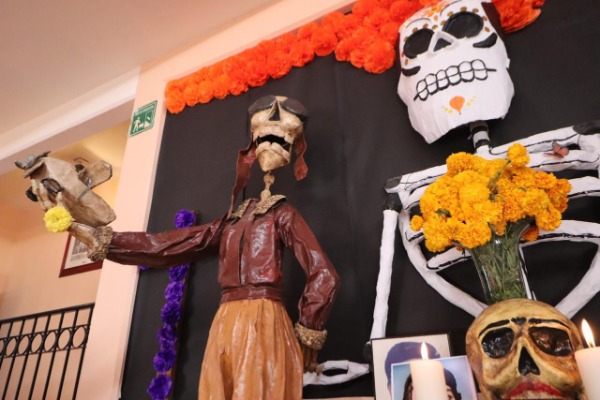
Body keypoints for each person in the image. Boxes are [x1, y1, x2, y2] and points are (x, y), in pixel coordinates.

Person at [51, 96, 340, 400]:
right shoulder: (232, 221)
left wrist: (308, 330)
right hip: (226, 319)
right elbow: (168, 244)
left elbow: (324, 274)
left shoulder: (282, 214)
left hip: (264, 318)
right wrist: (103, 239)